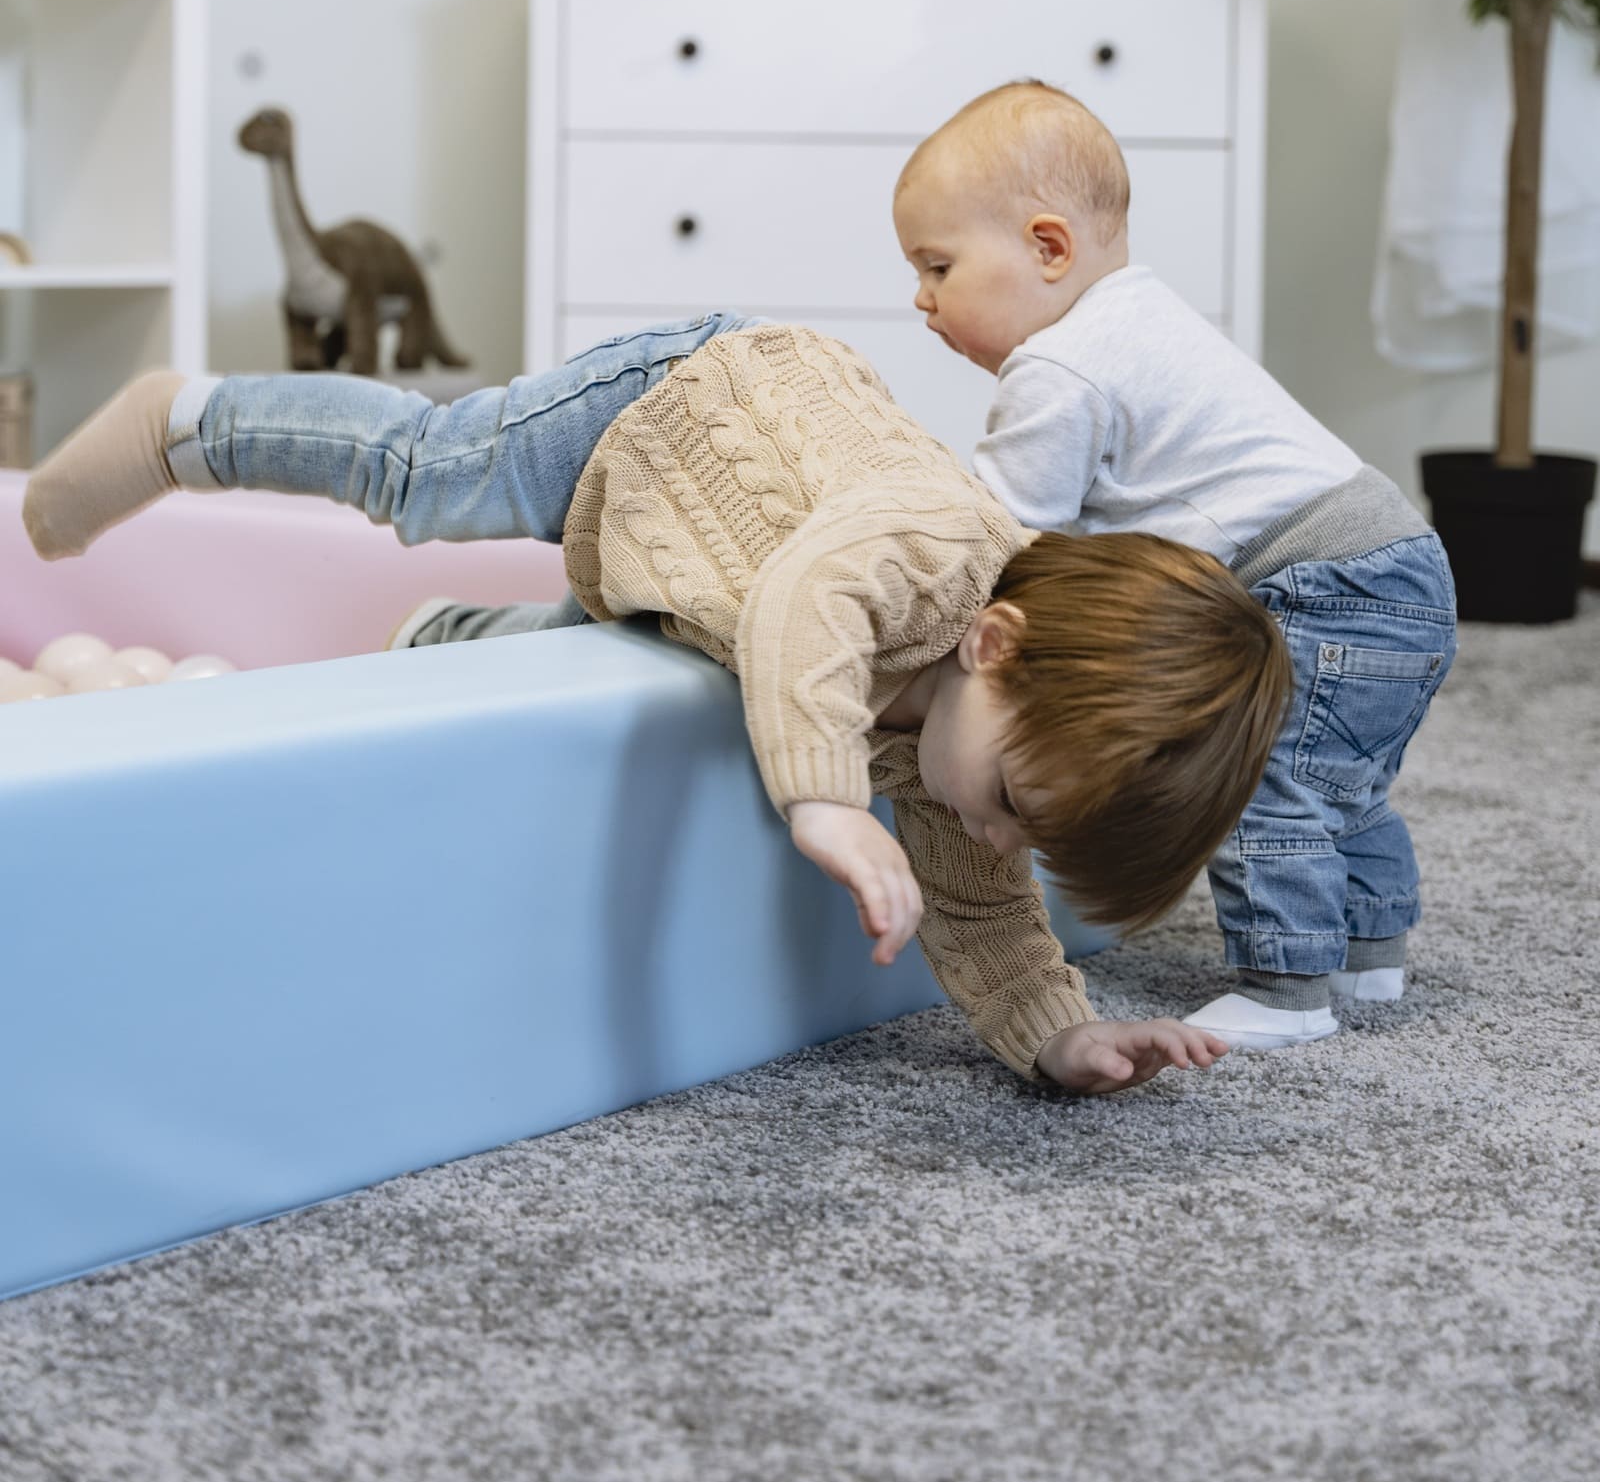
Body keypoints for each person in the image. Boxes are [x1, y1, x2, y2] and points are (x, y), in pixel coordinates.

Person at [21, 314, 1293, 1091]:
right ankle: (188, 423)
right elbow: (802, 598)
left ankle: (442, 639)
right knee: (427, 474)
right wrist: (828, 804)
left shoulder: (975, 754)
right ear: (992, 643)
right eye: (1019, 802)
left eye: (1037, 835)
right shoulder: (933, 544)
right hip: (680, 409)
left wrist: (1057, 1037)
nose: (1004, 837)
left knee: (625, 660)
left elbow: (986, 911)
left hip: (672, 588)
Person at [892, 81, 1458, 1051]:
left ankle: (1288, 985)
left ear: (1047, 247)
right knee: (1339, 778)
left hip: (1321, 575)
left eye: (937, 265)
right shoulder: (1139, 316)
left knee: (1251, 760)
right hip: (1401, 567)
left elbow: (995, 543)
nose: (921, 299)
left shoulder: (1058, 367)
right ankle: (1370, 951)